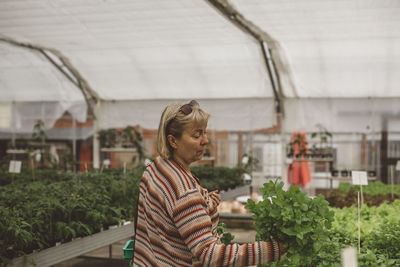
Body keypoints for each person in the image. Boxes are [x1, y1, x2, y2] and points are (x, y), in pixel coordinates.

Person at [133, 100, 285, 266]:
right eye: (196, 135)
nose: (205, 140)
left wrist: (204, 202)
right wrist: (274, 249)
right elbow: (211, 255)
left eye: (204, 133)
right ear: (173, 141)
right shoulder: (184, 191)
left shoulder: (155, 168)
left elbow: (164, 214)